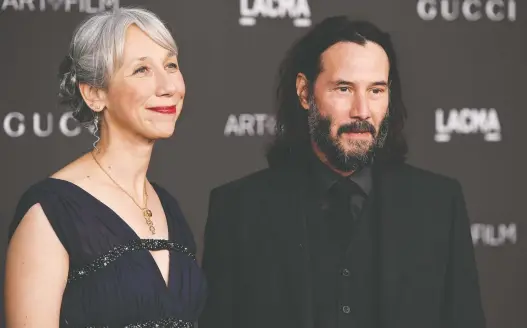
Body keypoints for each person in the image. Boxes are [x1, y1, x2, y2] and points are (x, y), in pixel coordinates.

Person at [199, 16, 486, 328]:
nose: (362, 110)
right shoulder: (237, 209)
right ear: (305, 92)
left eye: (376, 90)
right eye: (344, 88)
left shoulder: (440, 205)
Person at [4, 7, 206, 328]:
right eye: (142, 70)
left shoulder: (169, 207)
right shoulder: (51, 213)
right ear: (95, 94)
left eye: (171, 65)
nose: (168, 85)